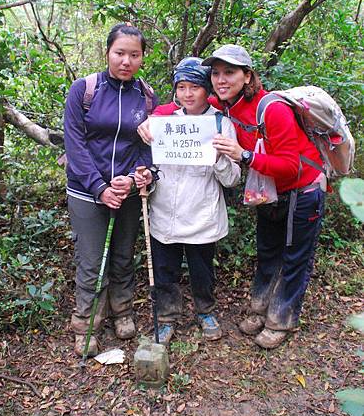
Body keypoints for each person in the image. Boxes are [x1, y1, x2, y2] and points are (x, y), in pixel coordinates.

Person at [139, 44, 325, 349]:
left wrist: (243, 155)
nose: (221, 79)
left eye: (230, 72)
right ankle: (259, 309)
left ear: (247, 75)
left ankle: (280, 320)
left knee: (294, 260)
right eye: (216, 73)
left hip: (302, 188)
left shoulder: (272, 108)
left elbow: (291, 166)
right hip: (269, 189)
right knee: (267, 254)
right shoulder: (224, 104)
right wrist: (150, 119)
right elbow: (180, 106)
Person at [64, 23, 158, 357]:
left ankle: (123, 312)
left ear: (142, 57)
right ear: (107, 52)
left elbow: (148, 147)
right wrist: (100, 187)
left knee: (122, 255)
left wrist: (135, 178)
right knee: (91, 261)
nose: (126, 61)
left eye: (134, 54)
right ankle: (85, 323)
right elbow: (75, 145)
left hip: (128, 191)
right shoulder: (84, 89)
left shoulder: (146, 96)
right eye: (120, 53)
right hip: (86, 191)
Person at [135, 57, 240, 346]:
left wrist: (219, 158)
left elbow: (233, 179)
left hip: (203, 214)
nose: (188, 94)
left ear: (208, 90)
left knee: (202, 269)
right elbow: (155, 166)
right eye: (182, 87)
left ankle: (205, 311)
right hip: (165, 211)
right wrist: (148, 177)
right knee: (165, 268)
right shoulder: (164, 123)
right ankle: (167, 317)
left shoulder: (221, 124)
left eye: (195, 87)